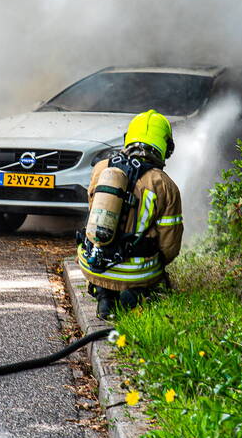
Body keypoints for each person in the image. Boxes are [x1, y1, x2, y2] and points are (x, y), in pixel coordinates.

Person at [78, 109, 183, 320]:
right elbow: (169, 245)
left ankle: (104, 295)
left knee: (102, 264)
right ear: (167, 148)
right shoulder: (165, 184)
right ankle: (135, 293)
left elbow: (94, 214)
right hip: (137, 272)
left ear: (128, 139)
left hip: (92, 265)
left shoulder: (101, 168)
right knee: (149, 272)